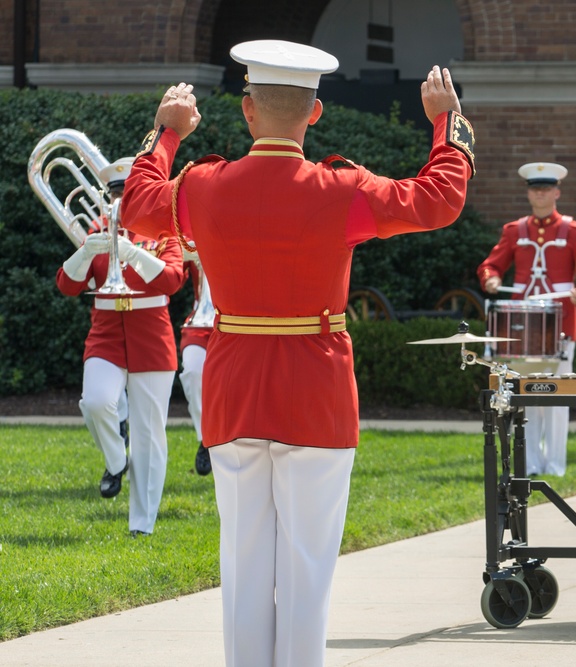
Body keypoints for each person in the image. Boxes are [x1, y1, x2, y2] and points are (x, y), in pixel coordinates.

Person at [121, 40, 474, 667]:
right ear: (315, 114)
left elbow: (138, 208)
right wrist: (447, 123)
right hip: (317, 393)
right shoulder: (341, 188)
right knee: (309, 571)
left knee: (244, 561)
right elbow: (438, 198)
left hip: (233, 390)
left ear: (248, 111)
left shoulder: (202, 184)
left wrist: (166, 132)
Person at [56, 156, 184, 536]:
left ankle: (141, 525)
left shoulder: (164, 233)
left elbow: (174, 280)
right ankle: (116, 461)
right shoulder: (97, 229)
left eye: (128, 195)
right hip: (106, 335)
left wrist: (133, 254)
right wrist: (83, 252)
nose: (121, 203)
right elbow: (67, 286)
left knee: (148, 434)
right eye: (116, 195)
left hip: (152, 337)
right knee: (95, 401)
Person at [478, 162, 576, 476]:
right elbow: (490, 265)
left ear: (557, 192)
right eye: (535, 188)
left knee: (557, 392)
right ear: (528, 192)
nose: (540, 194)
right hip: (521, 324)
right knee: (525, 392)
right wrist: (491, 279)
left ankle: (556, 464)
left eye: (546, 188)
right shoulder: (514, 230)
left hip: (561, 323)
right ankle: (530, 461)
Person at [178, 256, 213, 475]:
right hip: (201, 321)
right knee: (192, 371)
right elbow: (174, 276)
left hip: (238, 322)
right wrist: (185, 250)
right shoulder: (194, 226)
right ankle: (205, 440)